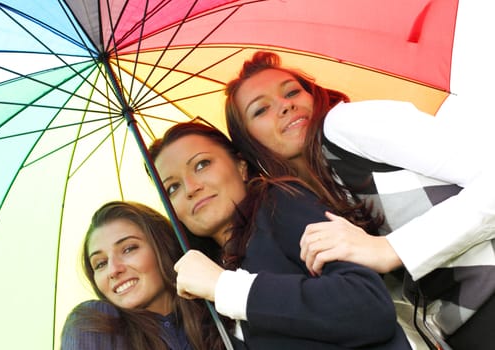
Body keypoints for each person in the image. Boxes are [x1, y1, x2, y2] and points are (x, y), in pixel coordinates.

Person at [224, 50, 495, 349]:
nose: (285, 106)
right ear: (247, 142)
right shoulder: (306, 202)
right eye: (261, 110)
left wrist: (390, 248)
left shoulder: (345, 125)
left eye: (292, 92)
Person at [150, 121, 412, 349]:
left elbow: (367, 307)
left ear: (241, 166)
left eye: (202, 164)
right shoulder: (201, 284)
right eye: (172, 187)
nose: (191, 188)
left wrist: (225, 288)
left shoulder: (278, 204)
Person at [60, 201, 234, 350]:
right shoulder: (97, 322)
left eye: (128, 249)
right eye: (100, 264)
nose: (113, 270)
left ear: (162, 247)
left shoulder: (216, 311)